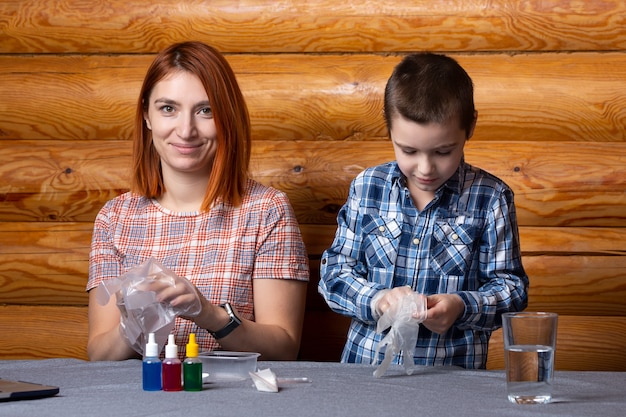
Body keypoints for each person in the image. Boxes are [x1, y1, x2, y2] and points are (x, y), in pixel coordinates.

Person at [87, 41, 309, 361]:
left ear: (227, 117)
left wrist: (206, 313)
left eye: (205, 111)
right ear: (147, 116)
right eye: (168, 109)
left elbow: (284, 347)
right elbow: (99, 355)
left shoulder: (266, 211)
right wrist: (132, 324)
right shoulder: (115, 218)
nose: (186, 130)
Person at [318, 53, 528, 369]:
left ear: (470, 127)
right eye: (409, 151)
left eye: (443, 151)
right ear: (389, 131)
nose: (426, 168)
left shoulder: (490, 198)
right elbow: (334, 273)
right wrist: (378, 300)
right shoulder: (368, 186)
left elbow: (511, 289)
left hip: (452, 378)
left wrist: (462, 305)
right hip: (363, 373)